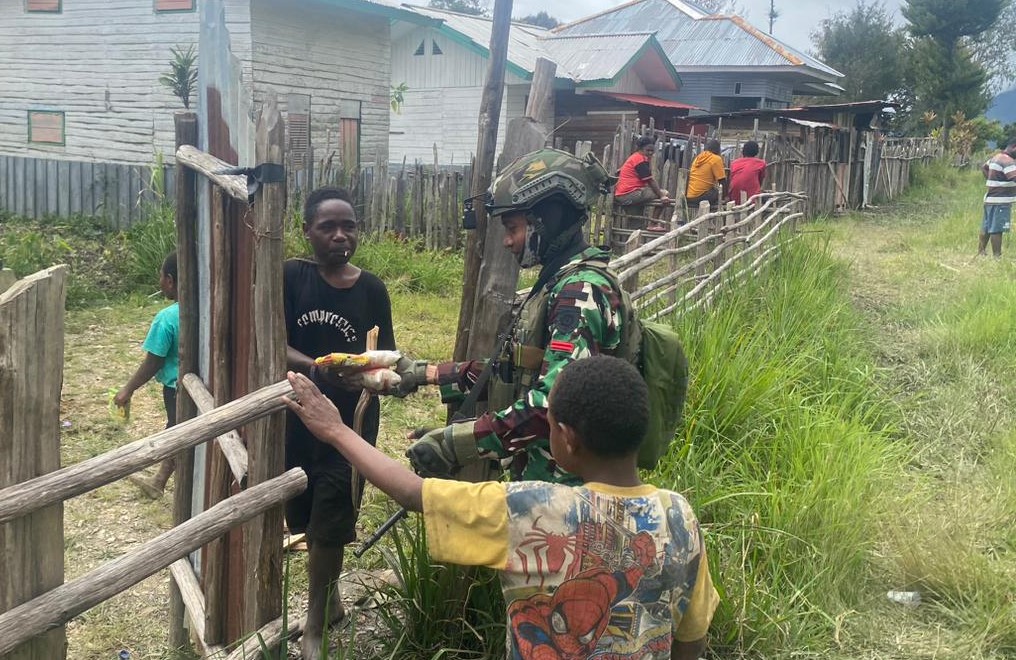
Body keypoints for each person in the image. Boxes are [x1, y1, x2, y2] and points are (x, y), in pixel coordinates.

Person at [284, 355, 718, 659]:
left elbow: (413, 493)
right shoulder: (680, 516)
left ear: (566, 438)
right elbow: (691, 638)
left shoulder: (529, 508)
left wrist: (337, 431)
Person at [392, 149, 628, 486]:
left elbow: (551, 405)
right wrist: (428, 374)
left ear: (547, 219)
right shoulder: (558, 282)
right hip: (541, 478)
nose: (507, 241)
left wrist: (456, 444)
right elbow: (514, 371)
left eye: (513, 227)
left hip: (567, 494)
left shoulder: (579, 293)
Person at [283, 186, 396, 660]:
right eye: (327, 226)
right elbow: (272, 341)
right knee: (304, 512)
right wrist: (318, 368)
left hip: (350, 423)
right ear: (307, 230)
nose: (339, 235)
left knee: (332, 517)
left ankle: (314, 627)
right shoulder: (291, 277)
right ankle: (329, 607)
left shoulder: (371, 288)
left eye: (348, 225)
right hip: (294, 417)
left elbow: (383, 354)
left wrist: (370, 377)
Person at [115, 251, 179, 499]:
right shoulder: (206, 309)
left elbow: (154, 361)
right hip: (202, 384)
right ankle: (159, 481)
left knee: (176, 433)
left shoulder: (167, 318)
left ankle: (159, 482)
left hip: (176, 389)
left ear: (170, 280)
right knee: (176, 429)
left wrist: (127, 389)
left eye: (161, 276)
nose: (159, 282)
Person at [614, 136, 672, 230]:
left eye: (652, 151)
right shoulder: (640, 159)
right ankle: (653, 223)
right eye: (647, 150)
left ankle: (631, 243)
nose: (650, 153)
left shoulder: (634, 157)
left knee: (636, 225)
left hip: (622, 196)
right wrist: (662, 196)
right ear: (640, 149)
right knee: (665, 193)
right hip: (631, 194)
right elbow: (649, 180)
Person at [978, 136, 1016, 258]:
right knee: (997, 228)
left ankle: (981, 251)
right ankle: (997, 257)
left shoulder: (996, 157)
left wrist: (991, 180)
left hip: (989, 198)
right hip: (1000, 201)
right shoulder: (1008, 162)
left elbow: (984, 167)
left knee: (986, 226)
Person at [685, 139, 726, 212]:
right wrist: (726, 197)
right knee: (718, 192)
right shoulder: (716, 159)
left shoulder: (698, 157)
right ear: (718, 149)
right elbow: (722, 181)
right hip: (701, 196)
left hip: (690, 196)